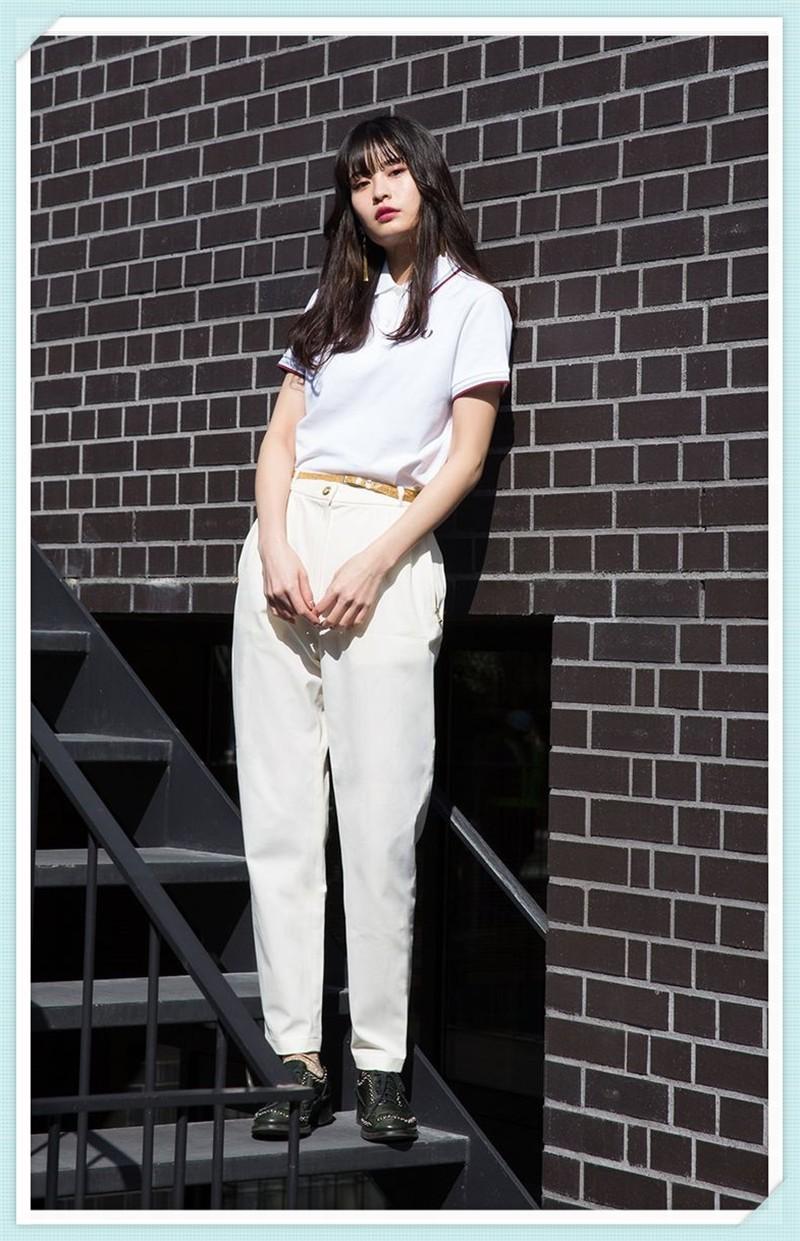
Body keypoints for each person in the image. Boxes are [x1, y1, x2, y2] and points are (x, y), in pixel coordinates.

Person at [231, 113, 514, 1144]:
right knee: (278, 816)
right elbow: (279, 441)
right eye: (360, 180)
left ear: (426, 181)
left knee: (381, 822)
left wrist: (374, 558)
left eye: (394, 171)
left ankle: (380, 1066)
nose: (379, 190)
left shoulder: (472, 303)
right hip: (284, 547)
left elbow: (463, 459)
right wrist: (273, 545)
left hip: (382, 548)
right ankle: (295, 1058)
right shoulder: (331, 304)